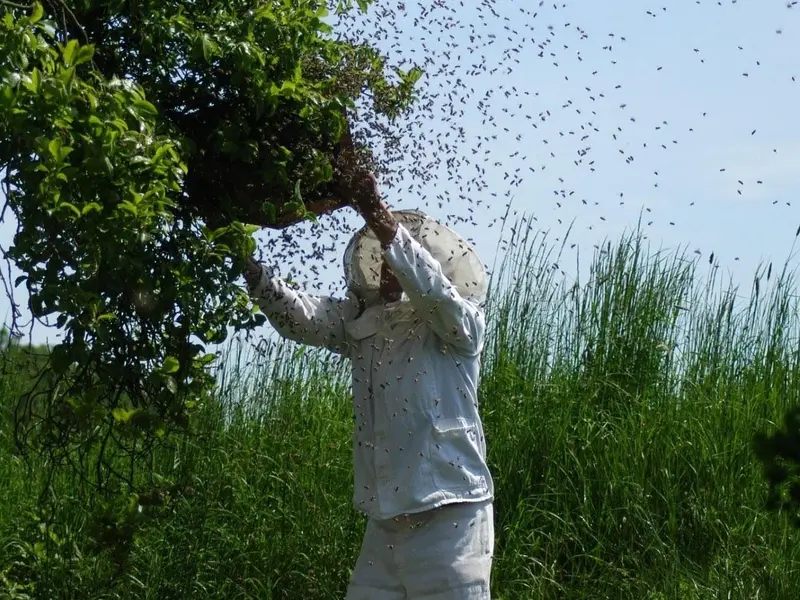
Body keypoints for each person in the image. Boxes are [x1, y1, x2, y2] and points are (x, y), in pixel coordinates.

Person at [241, 135, 495, 599]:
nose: (386, 269)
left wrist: (375, 211)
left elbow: (433, 293)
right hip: (385, 524)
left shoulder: (458, 323)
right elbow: (300, 316)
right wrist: (248, 266)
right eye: (382, 261)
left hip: (452, 520)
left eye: (396, 259)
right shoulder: (362, 321)